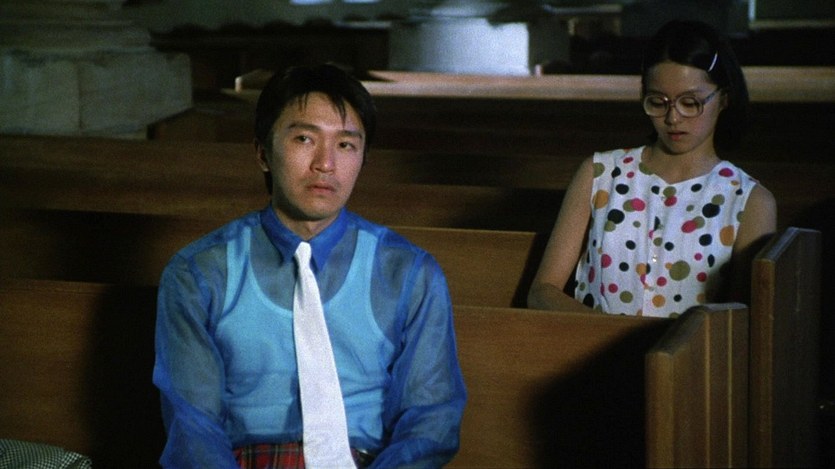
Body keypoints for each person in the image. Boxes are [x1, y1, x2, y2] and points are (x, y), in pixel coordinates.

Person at [153, 63, 467, 468]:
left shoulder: (407, 272)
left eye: (346, 145)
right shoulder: (200, 273)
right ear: (263, 153)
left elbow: (431, 422)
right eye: (304, 138)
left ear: (363, 158)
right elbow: (193, 428)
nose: (325, 164)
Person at [528, 20, 777, 317]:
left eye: (690, 103)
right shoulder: (600, 174)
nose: (673, 118)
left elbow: (738, 320)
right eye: (658, 102)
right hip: (590, 342)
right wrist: (605, 331)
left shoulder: (748, 200)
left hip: (692, 348)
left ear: (723, 99)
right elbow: (542, 291)